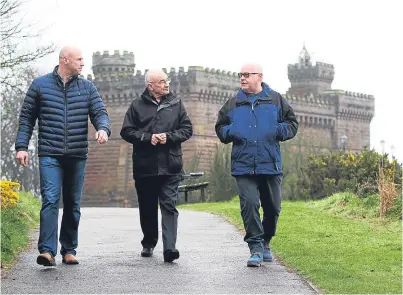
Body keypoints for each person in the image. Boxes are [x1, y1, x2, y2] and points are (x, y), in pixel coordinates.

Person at [15, 46, 111, 266]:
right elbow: (27, 119)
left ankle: (69, 249)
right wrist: (21, 146)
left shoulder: (87, 88)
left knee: (72, 203)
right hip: (50, 153)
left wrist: (103, 128)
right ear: (64, 60)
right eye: (79, 59)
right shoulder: (40, 85)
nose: (83, 63)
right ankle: (47, 251)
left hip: (77, 154)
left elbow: (100, 113)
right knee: (50, 199)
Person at [215, 63, 298, 267]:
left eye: (246, 75)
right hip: (243, 165)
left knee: (273, 208)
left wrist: (278, 131)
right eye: (240, 75)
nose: (242, 78)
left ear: (259, 76)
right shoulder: (233, 104)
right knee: (249, 205)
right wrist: (230, 132)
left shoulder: (276, 100)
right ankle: (255, 248)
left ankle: (266, 240)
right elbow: (220, 127)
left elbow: (292, 123)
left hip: (269, 164)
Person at [120, 69, 192, 263]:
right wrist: (147, 138)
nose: (166, 84)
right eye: (161, 81)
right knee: (148, 206)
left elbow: (187, 129)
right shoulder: (136, 106)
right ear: (150, 86)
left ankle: (170, 248)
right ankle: (149, 242)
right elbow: (126, 131)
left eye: (166, 80)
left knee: (169, 205)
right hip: (145, 166)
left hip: (171, 165)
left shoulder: (176, 104)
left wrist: (168, 137)